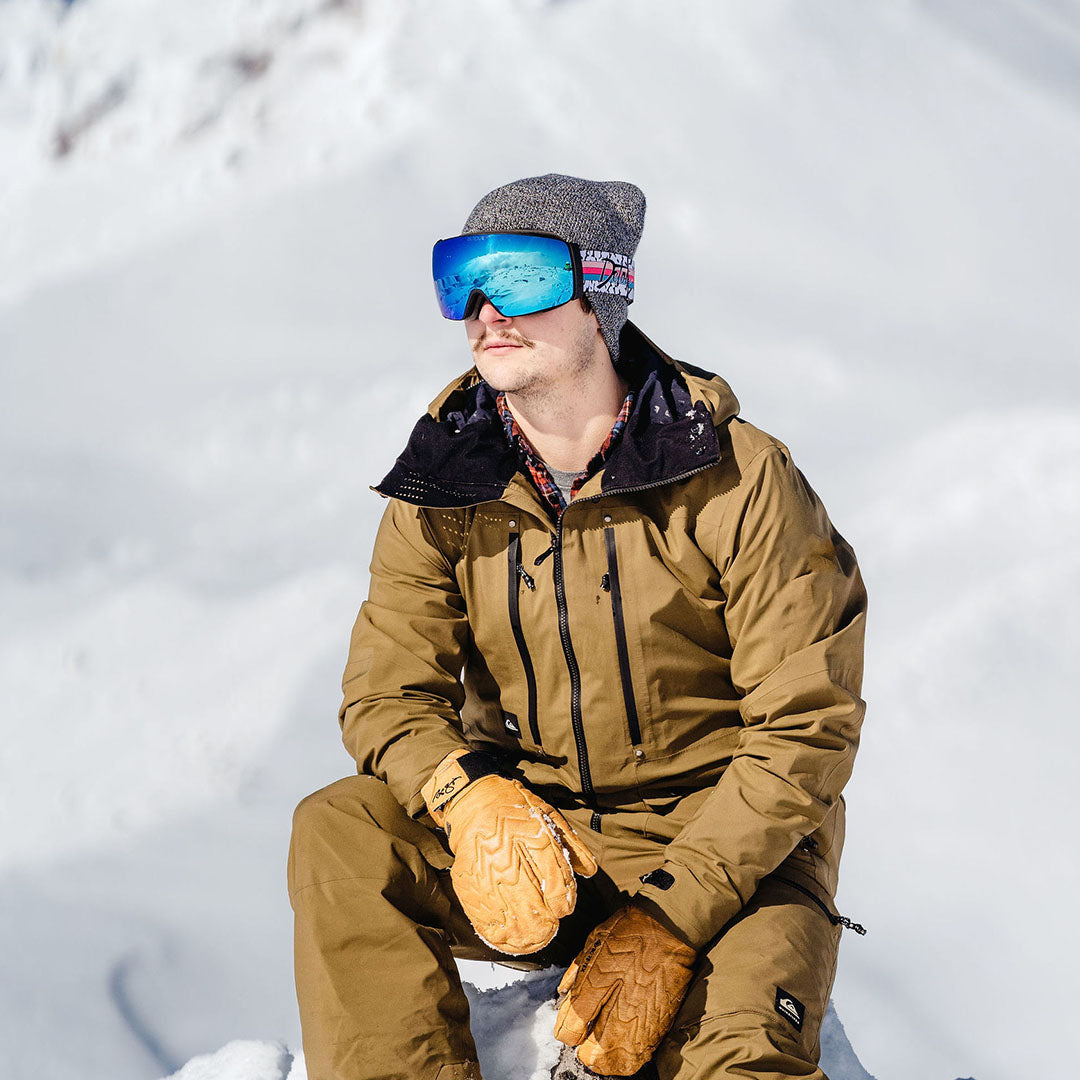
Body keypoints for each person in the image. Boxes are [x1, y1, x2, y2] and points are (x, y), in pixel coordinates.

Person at [288, 173, 867, 1080]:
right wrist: (467, 797)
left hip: (725, 851)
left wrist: (675, 916)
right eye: (459, 281)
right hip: (535, 842)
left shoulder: (738, 480)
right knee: (342, 831)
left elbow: (806, 728)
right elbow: (386, 693)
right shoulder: (446, 481)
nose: (485, 311)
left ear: (601, 294)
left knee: (741, 1063)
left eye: (515, 276)